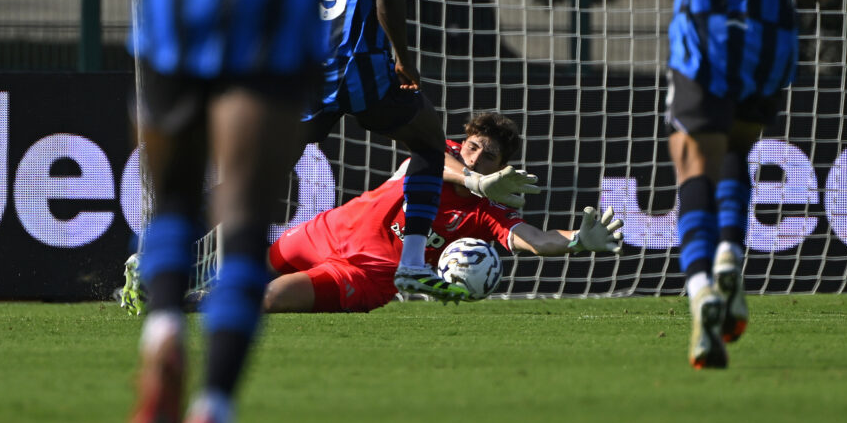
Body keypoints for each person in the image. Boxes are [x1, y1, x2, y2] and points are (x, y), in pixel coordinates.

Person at [92, 0, 428, 423]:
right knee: (246, 221)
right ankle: (210, 418)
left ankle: (162, 332)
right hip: (269, 11)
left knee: (177, 198)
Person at [621, 0, 847, 369]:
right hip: (772, 36)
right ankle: (730, 252)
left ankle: (702, 284)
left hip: (704, 33)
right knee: (737, 148)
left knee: (691, 159)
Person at [306, 0, 541, 303]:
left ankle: (178, 255)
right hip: (362, 68)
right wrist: (403, 56)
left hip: (311, 68)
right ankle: (413, 264)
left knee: (263, 169)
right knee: (430, 144)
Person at [265, 112, 624, 313]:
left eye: (488, 157)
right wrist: (474, 180)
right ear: (461, 144)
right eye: (473, 147)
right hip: (325, 232)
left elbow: (536, 240)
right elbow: (433, 160)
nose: (475, 158)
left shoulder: (489, 211)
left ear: (502, 167)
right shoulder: (439, 152)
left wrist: (577, 241)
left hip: (363, 276)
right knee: (241, 274)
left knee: (270, 298)